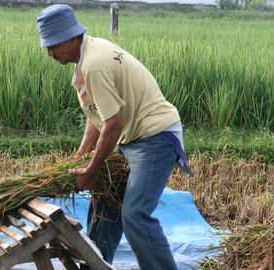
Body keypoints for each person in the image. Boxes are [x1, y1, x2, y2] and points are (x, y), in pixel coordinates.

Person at [36, 4, 193, 270]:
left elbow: (113, 124)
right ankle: (94, 266)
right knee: (106, 203)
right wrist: (81, 156)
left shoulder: (95, 64)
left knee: (135, 215)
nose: (50, 52)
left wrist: (91, 171)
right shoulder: (87, 56)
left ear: (73, 38)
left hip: (154, 137)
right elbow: (96, 114)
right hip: (132, 137)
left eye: (54, 45)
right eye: (47, 46)